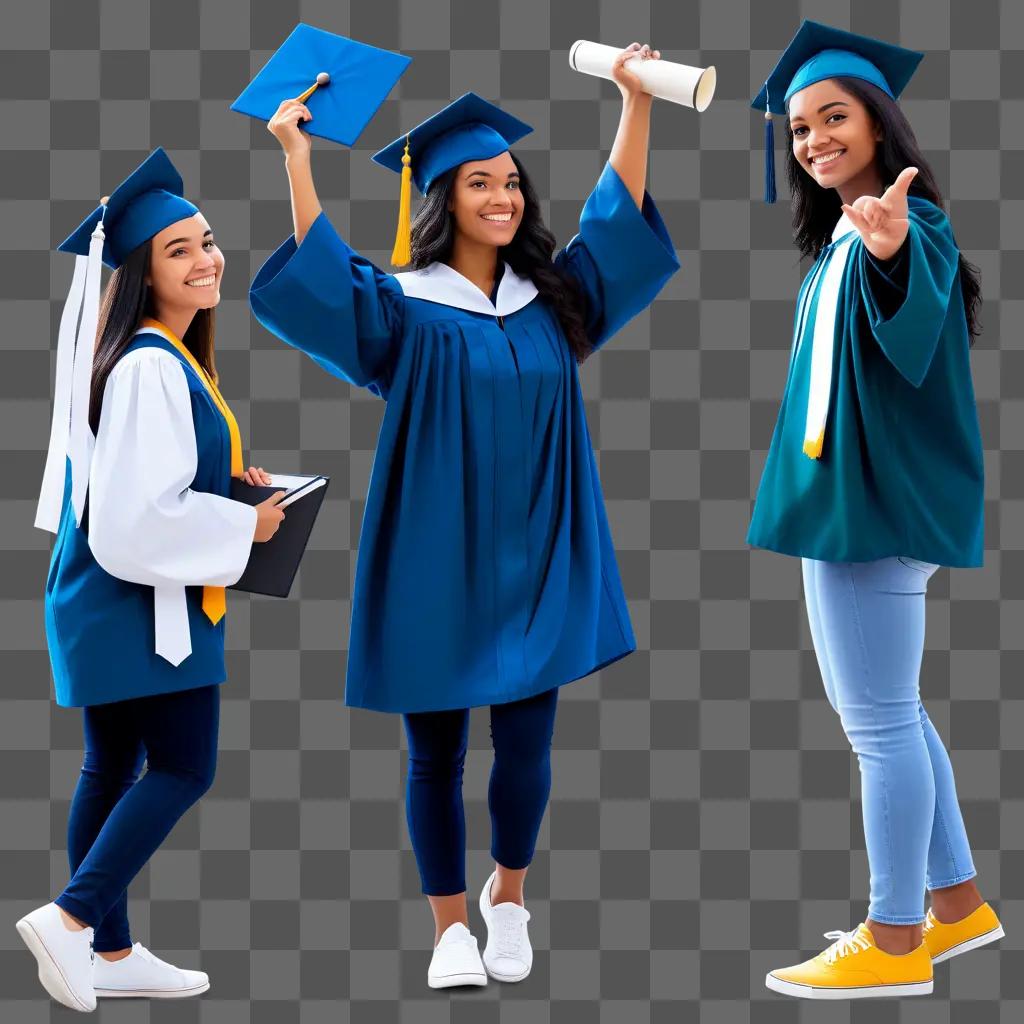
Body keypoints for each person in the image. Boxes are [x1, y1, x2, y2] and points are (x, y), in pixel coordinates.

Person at [250, 44, 679, 988]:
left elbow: (617, 217)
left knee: (526, 749)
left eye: (513, 182)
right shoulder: (403, 308)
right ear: (441, 198)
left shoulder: (554, 301)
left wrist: (634, 101)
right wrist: (295, 157)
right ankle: (449, 927)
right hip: (434, 555)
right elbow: (323, 279)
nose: (503, 197)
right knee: (433, 751)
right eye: (480, 183)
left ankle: (509, 897)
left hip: (539, 552)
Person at [748, 21, 1003, 999]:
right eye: (801, 126)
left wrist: (892, 249)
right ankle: (957, 905)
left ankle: (892, 940)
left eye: (834, 118)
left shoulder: (905, 227)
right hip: (855, 508)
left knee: (879, 727)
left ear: (880, 124)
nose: (813, 139)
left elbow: (910, 330)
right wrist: (870, 244)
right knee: (897, 712)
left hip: (871, 514)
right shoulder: (838, 245)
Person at [18, 148, 286, 1012]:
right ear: (140, 272)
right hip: (139, 603)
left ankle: (112, 949)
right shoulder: (147, 365)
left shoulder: (162, 356)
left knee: (111, 765)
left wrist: (230, 489)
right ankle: (70, 919)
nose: (206, 258)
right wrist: (247, 524)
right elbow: (140, 520)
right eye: (178, 250)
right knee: (182, 766)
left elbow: (147, 486)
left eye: (207, 241)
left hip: (113, 599)